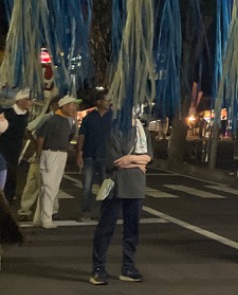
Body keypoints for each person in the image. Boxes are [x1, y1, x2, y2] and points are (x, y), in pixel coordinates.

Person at [89, 112, 152, 284]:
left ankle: (128, 266)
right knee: (106, 228)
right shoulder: (114, 128)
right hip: (116, 185)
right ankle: (98, 268)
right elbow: (116, 161)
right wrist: (139, 162)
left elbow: (148, 157)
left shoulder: (142, 130)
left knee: (132, 230)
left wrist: (131, 159)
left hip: (136, 186)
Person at [34, 94, 79, 229]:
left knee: (51, 187)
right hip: (50, 153)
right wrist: (39, 154)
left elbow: (70, 135)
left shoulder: (68, 121)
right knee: (49, 187)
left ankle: (40, 217)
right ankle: (46, 218)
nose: (74, 107)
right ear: (64, 106)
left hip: (61, 154)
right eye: (71, 105)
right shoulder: (51, 120)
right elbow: (40, 138)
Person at [17, 97, 59, 220]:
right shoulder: (47, 118)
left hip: (52, 154)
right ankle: (27, 210)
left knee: (46, 182)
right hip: (42, 154)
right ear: (54, 105)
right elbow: (28, 129)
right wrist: (36, 145)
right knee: (36, 182)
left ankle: (50, 209)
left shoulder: (64, 119)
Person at [77, 89, 114, 221]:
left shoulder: (113, 117)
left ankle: (105, 212)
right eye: (107, 100)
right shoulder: (89, 117)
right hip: (90, 155)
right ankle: (85, 212)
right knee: (87, 186)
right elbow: (82, 136)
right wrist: (79, 154)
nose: (109, 102)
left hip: (106, 156)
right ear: (98, 102)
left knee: (106, 187)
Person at [0, 89, 35, 203]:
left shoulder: (25, 115)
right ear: (20, 101)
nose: (31, 103)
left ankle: (9, 197)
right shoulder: (7, 113)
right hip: (3, 147)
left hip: (16, 148)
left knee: (13, 172)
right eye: (28, 100)